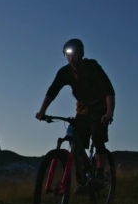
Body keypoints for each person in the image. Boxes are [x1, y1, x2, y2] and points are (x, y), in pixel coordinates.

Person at [35, 38, 115, 184]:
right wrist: (42, 111)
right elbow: (52, 91)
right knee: (76, 142)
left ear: (81, 54)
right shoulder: (65, 72)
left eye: (73, 54)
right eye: (67, 55)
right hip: (83, 110)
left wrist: (109, 113)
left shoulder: (92, 66)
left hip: (100, 108)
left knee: (98, 138)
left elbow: (109, 90)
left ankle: (98, 173)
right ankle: (82, 176)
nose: (70, 58)